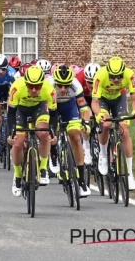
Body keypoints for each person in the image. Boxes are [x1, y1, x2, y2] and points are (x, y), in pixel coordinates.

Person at [91, 56, 135, 190]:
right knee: (106, 124)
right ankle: (103, 155)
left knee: (125, 131)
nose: (116, 79)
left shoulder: (129, 75)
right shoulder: (100, 75)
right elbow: (94, 102)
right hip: (103, 100)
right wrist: (99, 114)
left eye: (119, 76)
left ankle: (130, 174)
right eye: (113, 76)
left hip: (119, 99)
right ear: (108, 73)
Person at [7, 66, 58, 196]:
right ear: (25, 83)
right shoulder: (17, 87)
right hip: (20, 110)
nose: (34, 89)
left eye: (37, 86)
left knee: (44, 133)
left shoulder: (49, 89)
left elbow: (54, 114)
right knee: (17, 143)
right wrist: (10, 133)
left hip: (39, 108)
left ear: (42, 83)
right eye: (30, 86)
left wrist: (53, 133)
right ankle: (18, 175)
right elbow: (11, 113)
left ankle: (43, 169)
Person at [48, 64, 91, 197]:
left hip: (68, 107)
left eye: (66, 86)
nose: (62, 89)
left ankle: (81, 180)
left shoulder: (76, 85)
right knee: (51, 132)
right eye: (60, 85)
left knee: (75, 136)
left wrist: (86, 123)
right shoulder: (48, 85)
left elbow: (83, 108)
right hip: (51, 108)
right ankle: (53, 153)